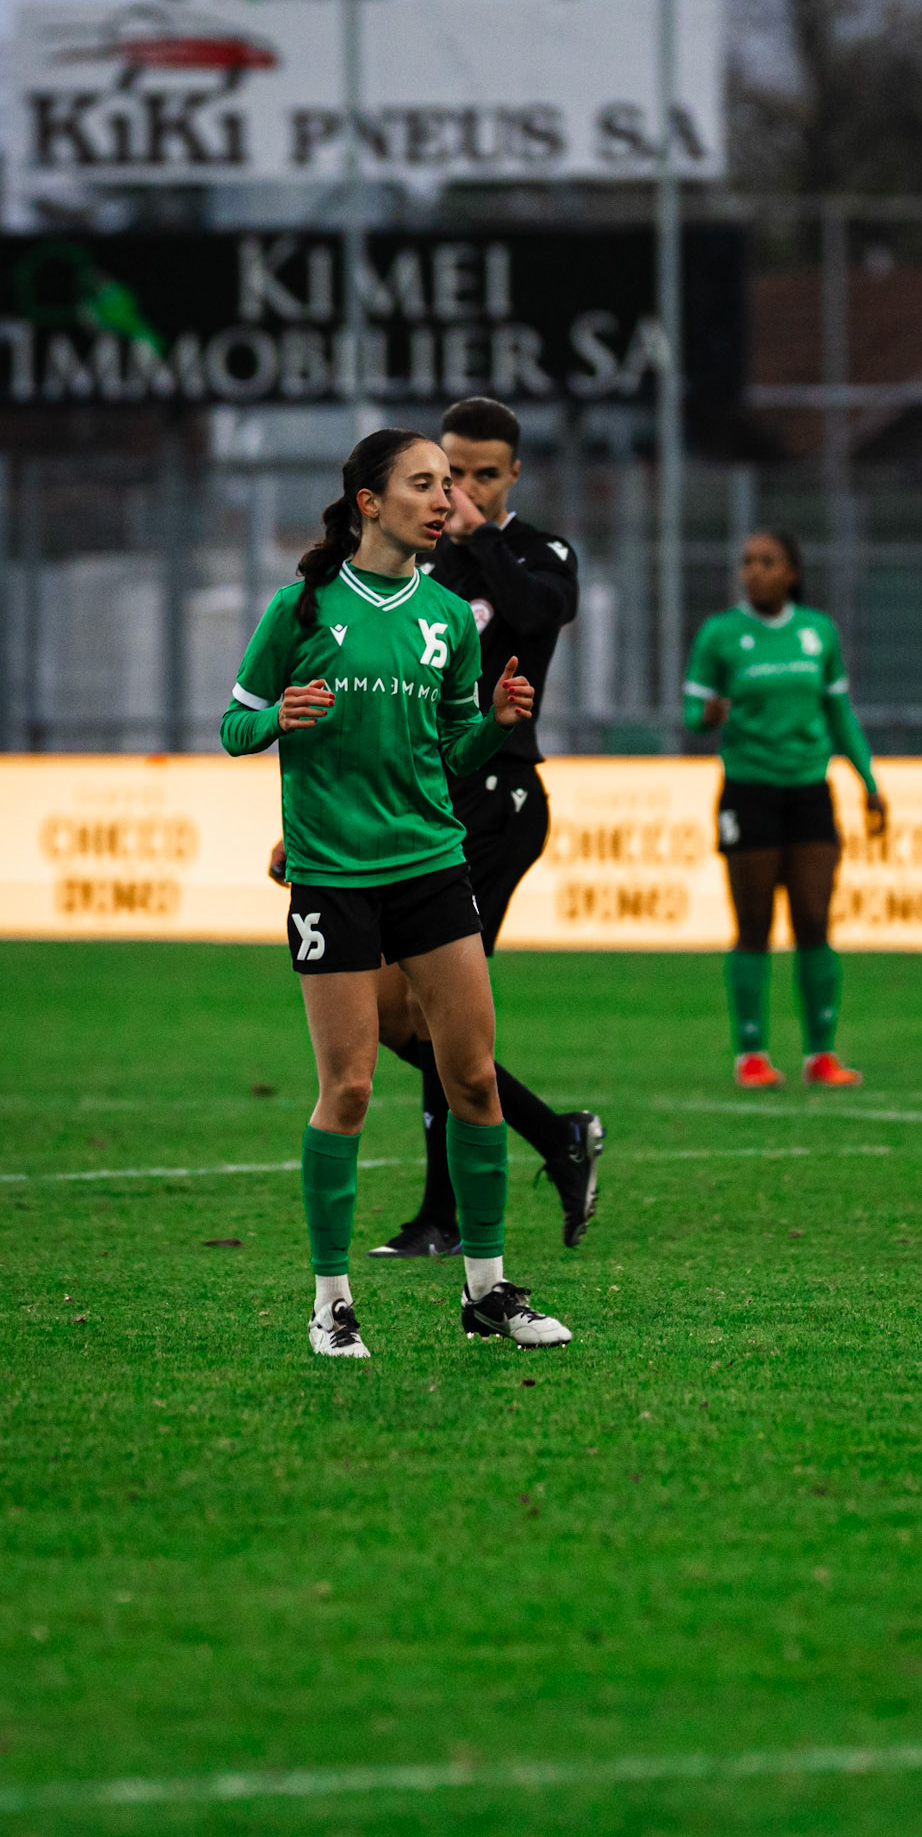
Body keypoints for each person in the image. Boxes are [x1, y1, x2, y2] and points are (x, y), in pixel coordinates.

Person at [223, 427, 571, 1357]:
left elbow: (447, 750)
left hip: (432, 867)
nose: (443, 498)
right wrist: (270, 722)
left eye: (450, 483)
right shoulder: (300, 610)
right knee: (348, 1087)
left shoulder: (451, 617)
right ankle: (331, 1302)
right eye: (424, 483)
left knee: (469, 1078)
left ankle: (487, 1295)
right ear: (370, 502)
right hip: (332, 878)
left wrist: (493, 727)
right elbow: (230, 722)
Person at [367, 395, 603, 1258]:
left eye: (480, 475)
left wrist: (476, 536)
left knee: (437, 1014)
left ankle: (443, 1217)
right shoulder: (411, 570)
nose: (457, 490)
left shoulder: (534, 553)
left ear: (512, 477)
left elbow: (536, 617)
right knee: (398, 1019)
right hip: (422, 798)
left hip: (499, 801)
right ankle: (555, 1135)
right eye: (446, 471)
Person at [683, 528, 887, 1090]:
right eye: (747, 562)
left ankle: (821, 1054)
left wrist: (867, 778)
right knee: (753, 926)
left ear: (792, 572)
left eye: (767, 562)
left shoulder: (818, 633)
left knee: (815, 921)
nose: (754, 571)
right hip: (749, 791)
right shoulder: (721, 635)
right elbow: (692, 712)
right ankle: (751, 1054)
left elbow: (840, 713)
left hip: (809, 790)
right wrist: (712, 713)